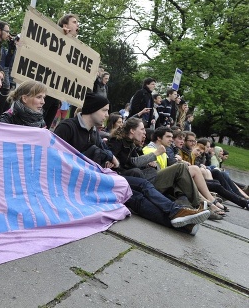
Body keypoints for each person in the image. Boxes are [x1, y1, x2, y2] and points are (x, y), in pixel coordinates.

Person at [54, 93, 209, 235]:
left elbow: (106, 152)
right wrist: (105, 156)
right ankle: (180, 213)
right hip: (82, 181)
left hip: (100, 178)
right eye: (104, 110)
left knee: (136, 197)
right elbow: (54, 157)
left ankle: (182, 222)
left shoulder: (93, 132)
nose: (107, 115)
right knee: (141, 188)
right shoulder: (68, 127)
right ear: (92, 109)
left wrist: (107, 156)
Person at [44, 14, 80, 125]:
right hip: (45, 90)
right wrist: (60, 35)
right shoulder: (53, 38)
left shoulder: (74, 45)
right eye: (74, 22)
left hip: (56, 95)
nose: (77, 24)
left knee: (46, 126)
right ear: (65, 25)